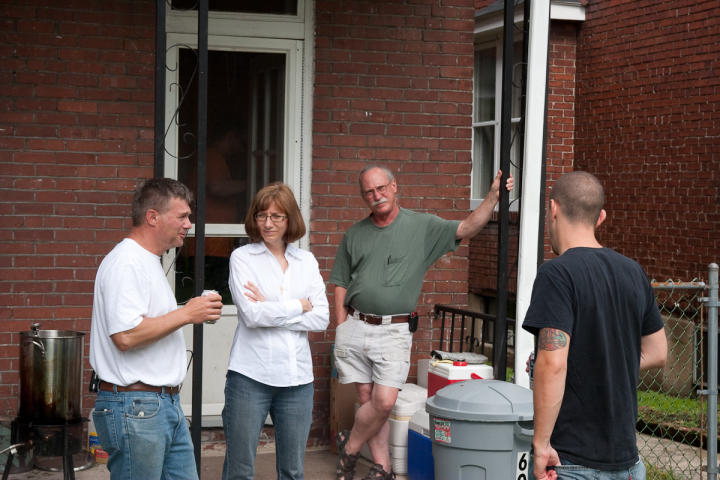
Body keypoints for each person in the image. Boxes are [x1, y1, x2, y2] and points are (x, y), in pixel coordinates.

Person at [330, 165, 513, 480]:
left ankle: (350, 445)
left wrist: (493, 196)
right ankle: (382, 469)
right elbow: (340, 282)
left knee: (384, 401)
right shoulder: (355, 234)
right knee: (365, 398)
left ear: (395, 186)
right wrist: (341, 325)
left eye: (381, 188)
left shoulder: (422, 226)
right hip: (356, 323)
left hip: (394, 329)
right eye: (369, 192)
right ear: (363, 197)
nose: (376, 196)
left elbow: (468, 227)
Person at [522, 171, 667, 480]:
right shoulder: (633, 272)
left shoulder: (557, 274)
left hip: (571, 461)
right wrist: (604, 365)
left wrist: (541, 445)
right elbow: (657, 352)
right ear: (600, 217)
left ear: (553, 210)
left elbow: (553, 362)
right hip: (628, 464)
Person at [89, 177, 223, 480]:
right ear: (153, 217)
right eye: (182, 216)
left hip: (160, 404)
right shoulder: (126, 263)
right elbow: (125, 336)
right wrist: (187, 313)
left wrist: (190, 312)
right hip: (136, 407)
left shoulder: (147, 261)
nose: (189, 224)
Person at [223, 182, 330, 480]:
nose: (268, 223)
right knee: (240, 469)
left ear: (290, 220)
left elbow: (321, 319)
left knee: (293, 471)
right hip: (250, 376)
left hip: (297, 381)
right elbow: (251, 315)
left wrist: (271, 306)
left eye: (276, 216)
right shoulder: (243, 258)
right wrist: (299, 304)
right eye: (262, 216)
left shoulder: (306, 261)